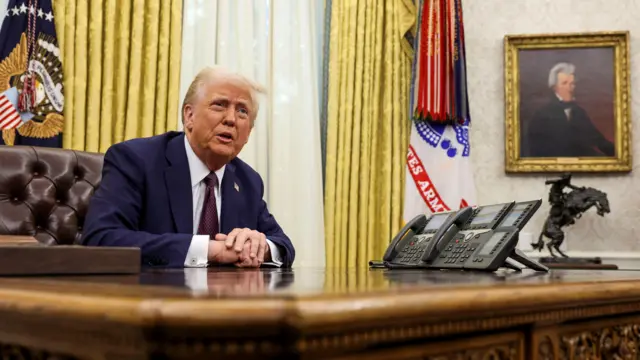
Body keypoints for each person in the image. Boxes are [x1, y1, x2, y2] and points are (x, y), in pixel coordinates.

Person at [81, 66, 295, 268]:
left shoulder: (247, 180)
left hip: (224, 303)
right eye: (219, 105)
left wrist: (261, 247)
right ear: (189, 116)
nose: (231, 119)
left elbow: (284, 245)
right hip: (150, 300)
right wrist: (209, 250)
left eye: (242, 112)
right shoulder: (136, 160)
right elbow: (100, 238)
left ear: (248, 132)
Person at [523, 62, 615, 158]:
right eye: (565, 83)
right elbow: (535, 150)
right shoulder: (541, 115)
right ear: (554, 87)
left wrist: (619, 155)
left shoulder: (579, 112)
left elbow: (597, 139)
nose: (570, 88)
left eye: (572, 84)